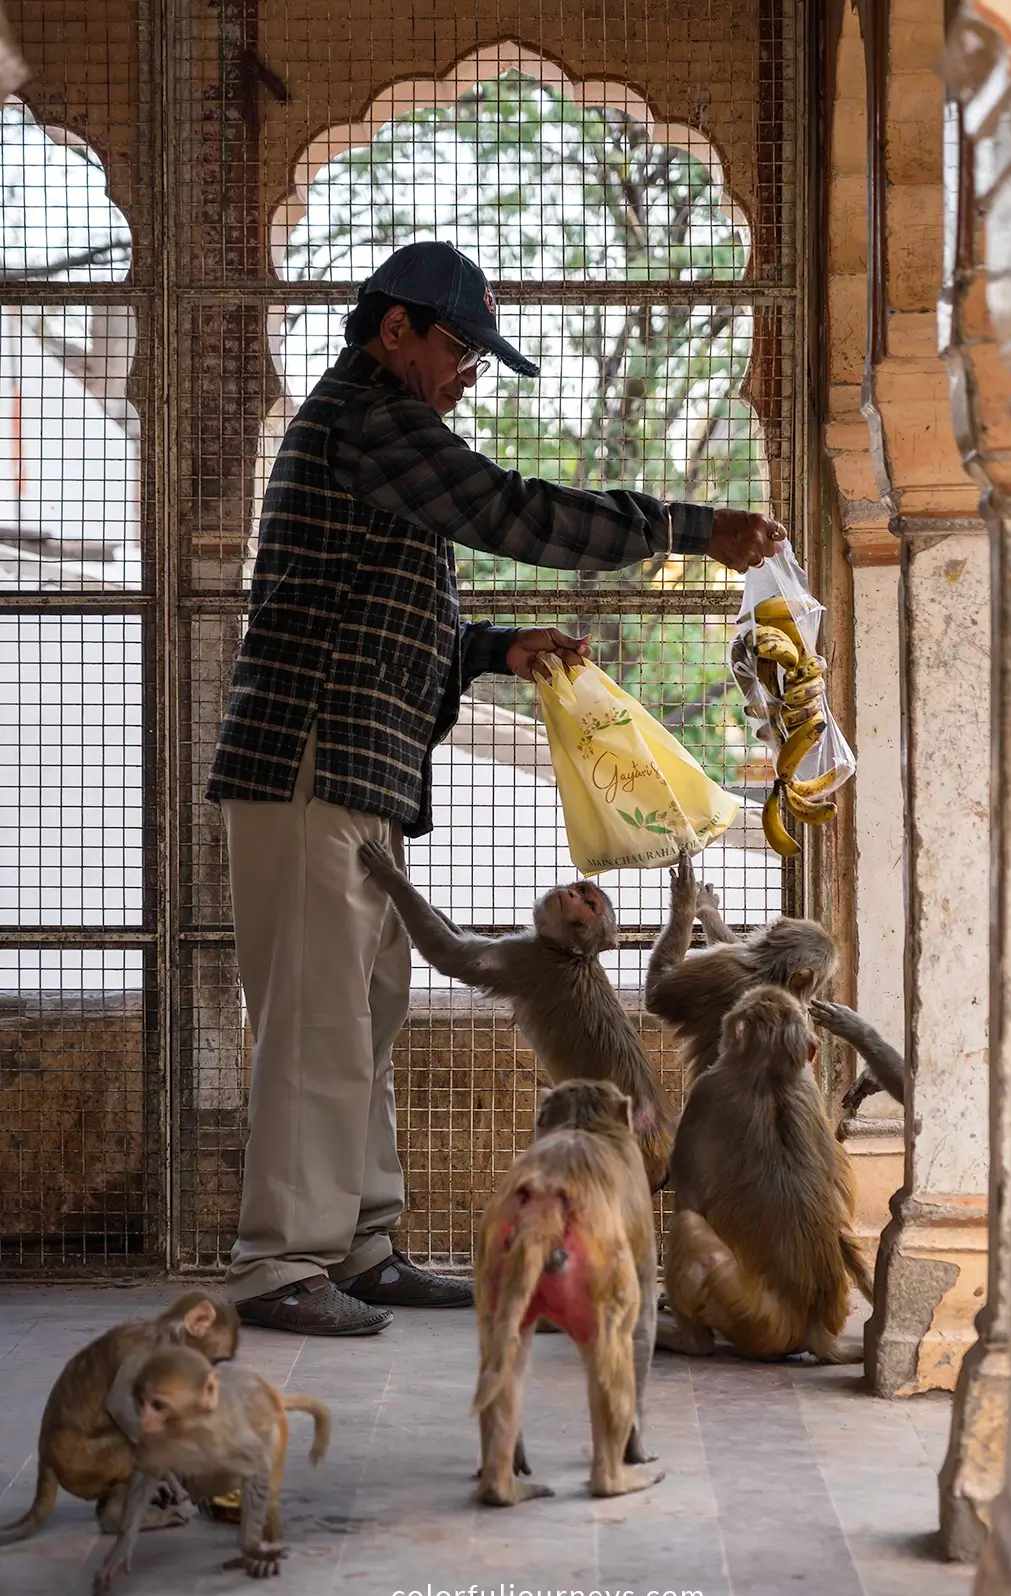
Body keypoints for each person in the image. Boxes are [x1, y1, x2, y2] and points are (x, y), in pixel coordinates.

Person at [206, 241, 783, 1335]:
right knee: (316, 1023)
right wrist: (684, 528)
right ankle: (278, 1261)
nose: (468, 372)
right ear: (395, 332)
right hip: (309, 761)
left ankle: (359, 1241)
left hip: (356, 767)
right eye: (460, 348)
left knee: (365, 1010)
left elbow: (382, 609)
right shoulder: (370, 420)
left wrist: (495, 646)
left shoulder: (378, 433)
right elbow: (512, 512)